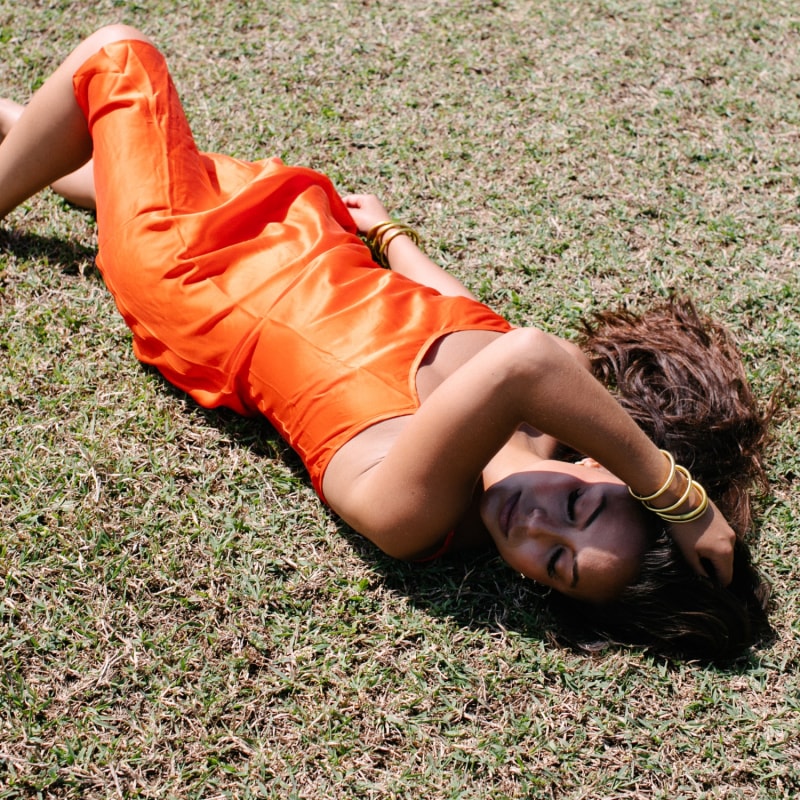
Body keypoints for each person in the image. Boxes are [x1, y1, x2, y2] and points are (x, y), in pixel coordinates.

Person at [0, 25, 772, 662]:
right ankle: (21, 123)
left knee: (115, 55)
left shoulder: (413, 517)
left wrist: (678, 499)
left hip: (203, 283)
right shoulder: (555, 414)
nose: (535, 527)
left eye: (556, 567)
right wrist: (391, 235)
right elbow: (459, 310)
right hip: (302, 238)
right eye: (575, 507)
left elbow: (522, 358)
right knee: (139, 163)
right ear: (602, 471)